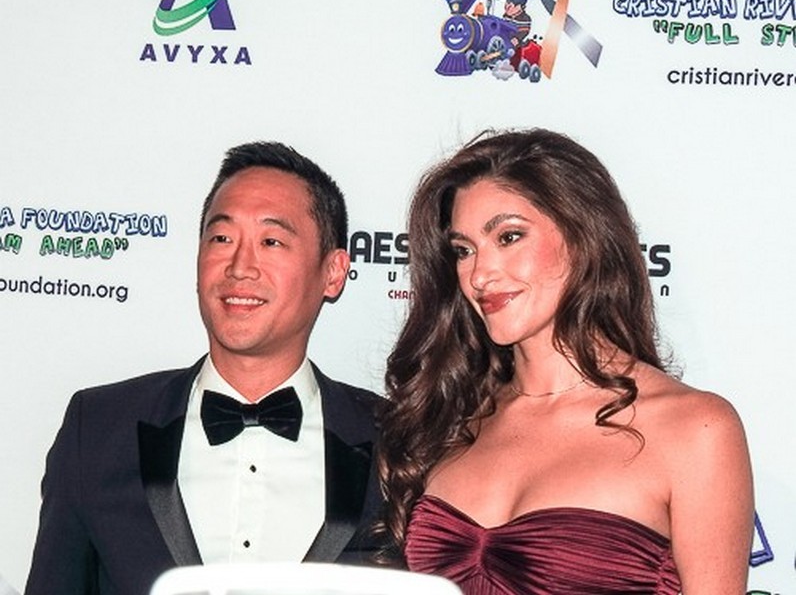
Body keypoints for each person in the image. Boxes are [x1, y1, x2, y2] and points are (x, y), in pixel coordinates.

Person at [377, 128, 754, 594]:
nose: (480, 274)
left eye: (509, 237)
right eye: (464, 250)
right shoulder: (452, 416)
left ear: (583, 237)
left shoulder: (695, 429)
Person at [25, 142, 384, 595]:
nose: (240, 266)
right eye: (221, 239)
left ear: (333, 272)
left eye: (271, 241)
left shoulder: (397, 442)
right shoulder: (97, 428)